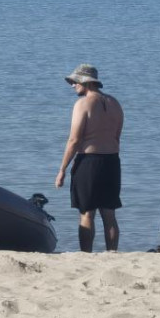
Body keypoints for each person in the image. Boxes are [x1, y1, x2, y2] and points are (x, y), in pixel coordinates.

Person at [55, 64, 124, 252]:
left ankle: (85, 254)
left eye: (75, 81)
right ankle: (113, 254)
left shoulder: (82, 104)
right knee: (109, 215)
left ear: (85, 81)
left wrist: (62, 169)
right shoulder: (115, 103)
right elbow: (117, 136)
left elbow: (74, 140)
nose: (72, 85)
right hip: (112, 161)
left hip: (89, 162)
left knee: (86, 214)